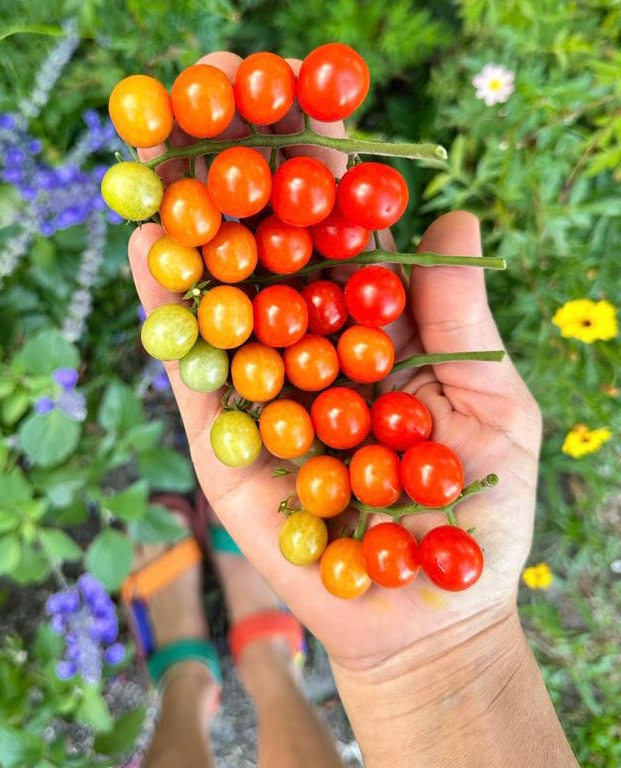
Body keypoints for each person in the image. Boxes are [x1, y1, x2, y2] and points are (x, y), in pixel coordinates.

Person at [122, 52, 579, 768]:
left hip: (325, 412)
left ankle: (188, 682)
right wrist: (453, 655)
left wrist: (444, 651)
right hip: (316, 396)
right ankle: (267, 661)